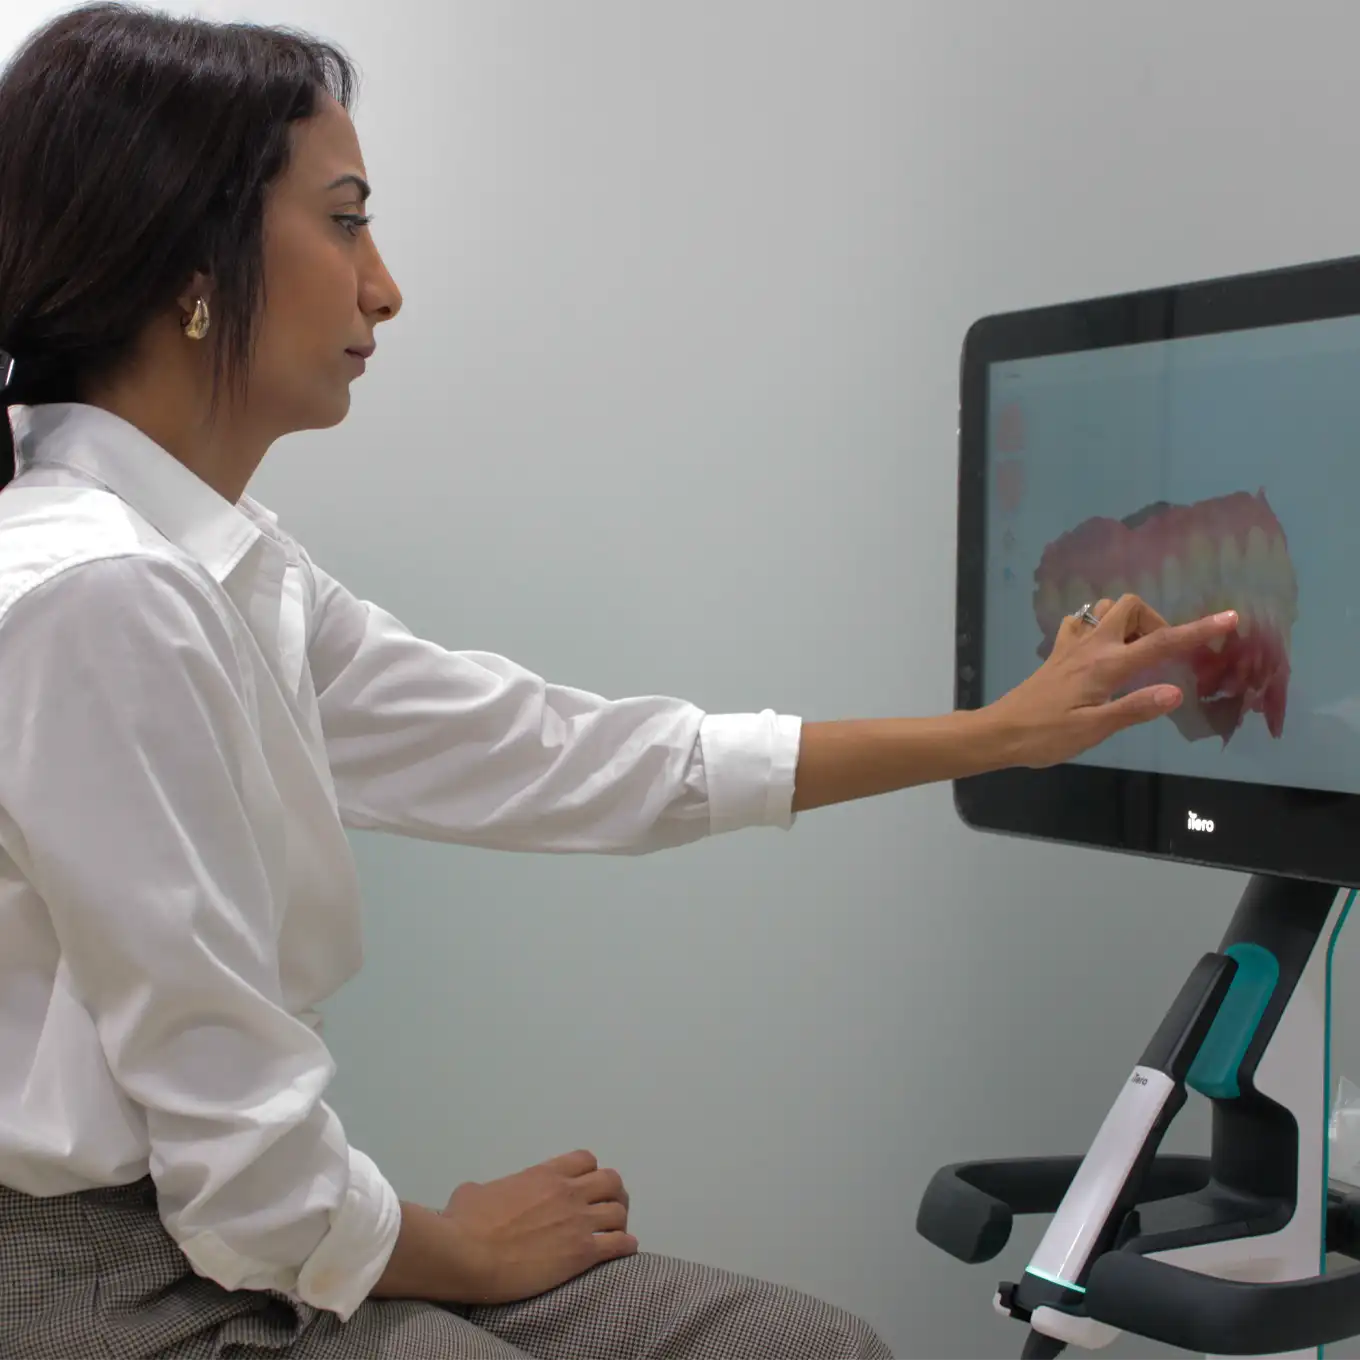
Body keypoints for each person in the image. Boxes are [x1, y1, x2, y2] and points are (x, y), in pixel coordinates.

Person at [0, 6, 1237, 1360]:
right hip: (103, 1283)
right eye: (346, 222)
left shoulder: (229, 574)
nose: (384, 287)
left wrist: (991, 735)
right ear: (193, 259)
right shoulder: (98, 597)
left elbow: (569, 756)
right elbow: (243, 1162)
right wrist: (451, 1244)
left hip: (232, 1223)